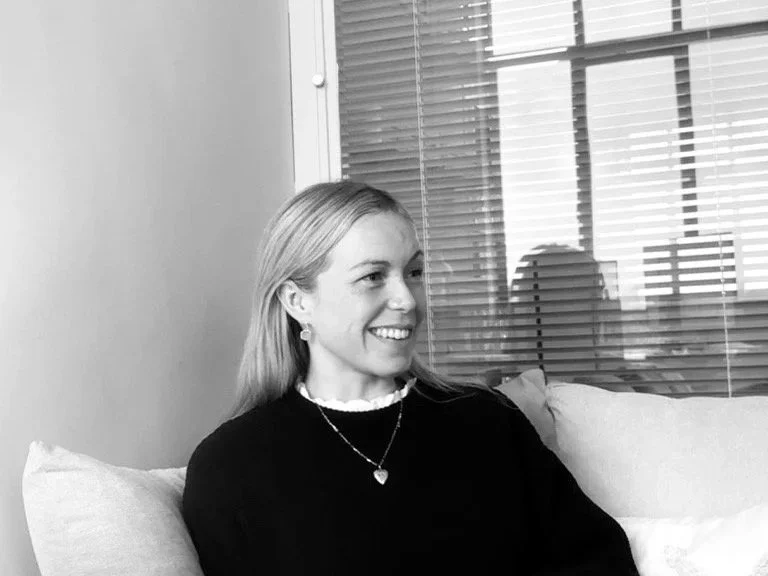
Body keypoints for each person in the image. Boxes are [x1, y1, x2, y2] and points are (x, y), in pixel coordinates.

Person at [182, 181, 639, 575]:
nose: (407, 298)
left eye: (414, 272)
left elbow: (600, 560)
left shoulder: (487, 423)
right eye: (373, 277)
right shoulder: (231, 467)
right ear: (298, 301)